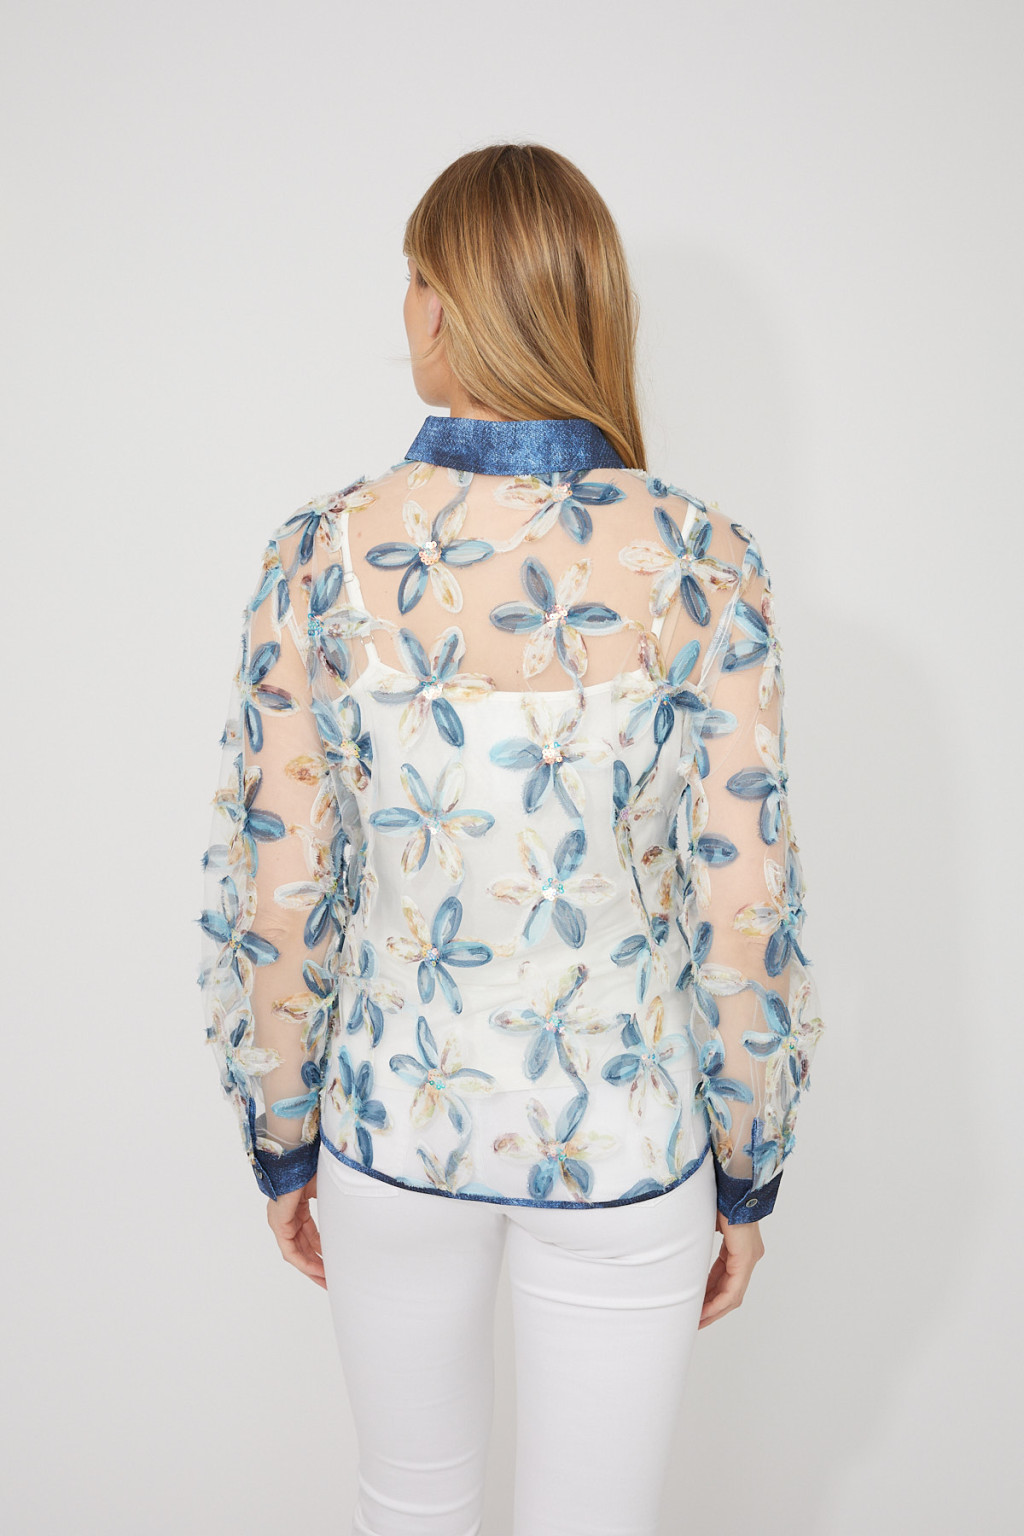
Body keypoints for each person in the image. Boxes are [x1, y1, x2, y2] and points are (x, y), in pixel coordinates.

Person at [197, 141, 825, 1536]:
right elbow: (745, 905)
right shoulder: (704, 561)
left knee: (408, 1510)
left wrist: (284, 1140)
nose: (404, 310)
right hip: (627, 1137)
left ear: (446, 302)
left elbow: (280, 892)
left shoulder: (320, 556)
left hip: (391, 1129)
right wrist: (749, 1166)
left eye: (413, 279)